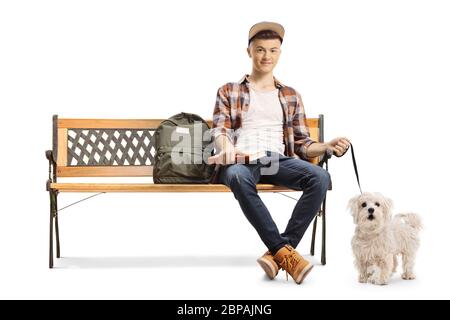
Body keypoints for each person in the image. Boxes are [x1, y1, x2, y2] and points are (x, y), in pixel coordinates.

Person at [208, 21, 350, 284]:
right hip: (240, 161)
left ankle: (278, 253)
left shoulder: (290, 95)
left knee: (320, 177)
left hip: (276, 160)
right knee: (238, 176)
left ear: (279, 53)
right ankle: (286, 254)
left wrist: (327, 146)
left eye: (272, 50)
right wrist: (226, 150)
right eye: (260, 50)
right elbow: (220, 130)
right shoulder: (229, 90)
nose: (266, 56)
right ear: (249, 51)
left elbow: (301, 143)